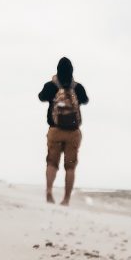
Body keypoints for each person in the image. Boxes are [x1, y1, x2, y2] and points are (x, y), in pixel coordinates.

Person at [38, 57, 89, 205]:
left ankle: (49, 191)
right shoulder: (77, 88)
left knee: (52, 163)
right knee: (70, 167)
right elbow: (85, 100)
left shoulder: (51, 85)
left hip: (55, 131)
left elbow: (41, 97)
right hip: (73, 133)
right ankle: (66, 199)